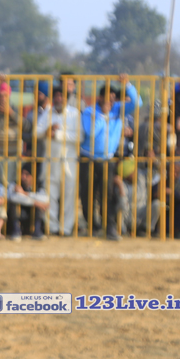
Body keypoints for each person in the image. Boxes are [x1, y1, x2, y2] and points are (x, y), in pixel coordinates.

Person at [80, 79, 140, 239]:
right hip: (88, 158)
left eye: (113, 98)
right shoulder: (89, 112)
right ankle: (92, 225)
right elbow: (91, 132)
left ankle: (110, 227)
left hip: (107, 159)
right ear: (100, 98)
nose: (111, 101)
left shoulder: (118, 109)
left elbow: (137, 103)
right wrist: (103, 116)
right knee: (87, 193)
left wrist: (127, 85)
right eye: (108, 98)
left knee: (107, 193)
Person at [33, 79, 81, 236]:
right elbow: (36, 132)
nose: (59, 99)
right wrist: (48, 130)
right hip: (50, 162)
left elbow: (80, 136)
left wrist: (58, 134)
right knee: (50, 195)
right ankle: (52, 227)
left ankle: (66, 228)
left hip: (69, 162)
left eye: (62, 96)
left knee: (69, 195)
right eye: (57, 96)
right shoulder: (47, 113)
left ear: (67, 98)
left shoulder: (74, 113)